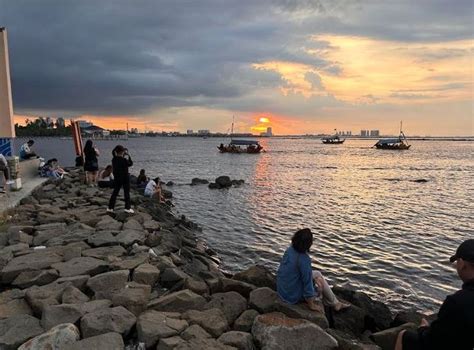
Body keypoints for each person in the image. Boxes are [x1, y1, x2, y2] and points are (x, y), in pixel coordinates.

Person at [395, 239, 474, 350]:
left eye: (456, 262)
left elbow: (434, 341)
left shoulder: (457, 302)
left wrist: (423, 330)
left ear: (462, 264)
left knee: (404, 336)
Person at [277, 228, 350, 312]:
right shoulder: (304, 259)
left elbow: (284, 271)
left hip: (282, 290)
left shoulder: (289, 250)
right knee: (318, 282)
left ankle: (334, 302)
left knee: (317, 274)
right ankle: (334, 302)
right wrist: (311, 305)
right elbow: (307, 283)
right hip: (292, 296)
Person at [107, 145, 134, 213]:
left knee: (115, 193)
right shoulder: (124, 160)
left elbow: (119, 162)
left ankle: (110, 207)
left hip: (117, 178)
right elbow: (130, 163)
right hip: (125, 178)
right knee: (126, 193)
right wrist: (128, 156)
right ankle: (127, 208)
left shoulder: (114, 159)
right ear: (122, 151)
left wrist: (124, 156)